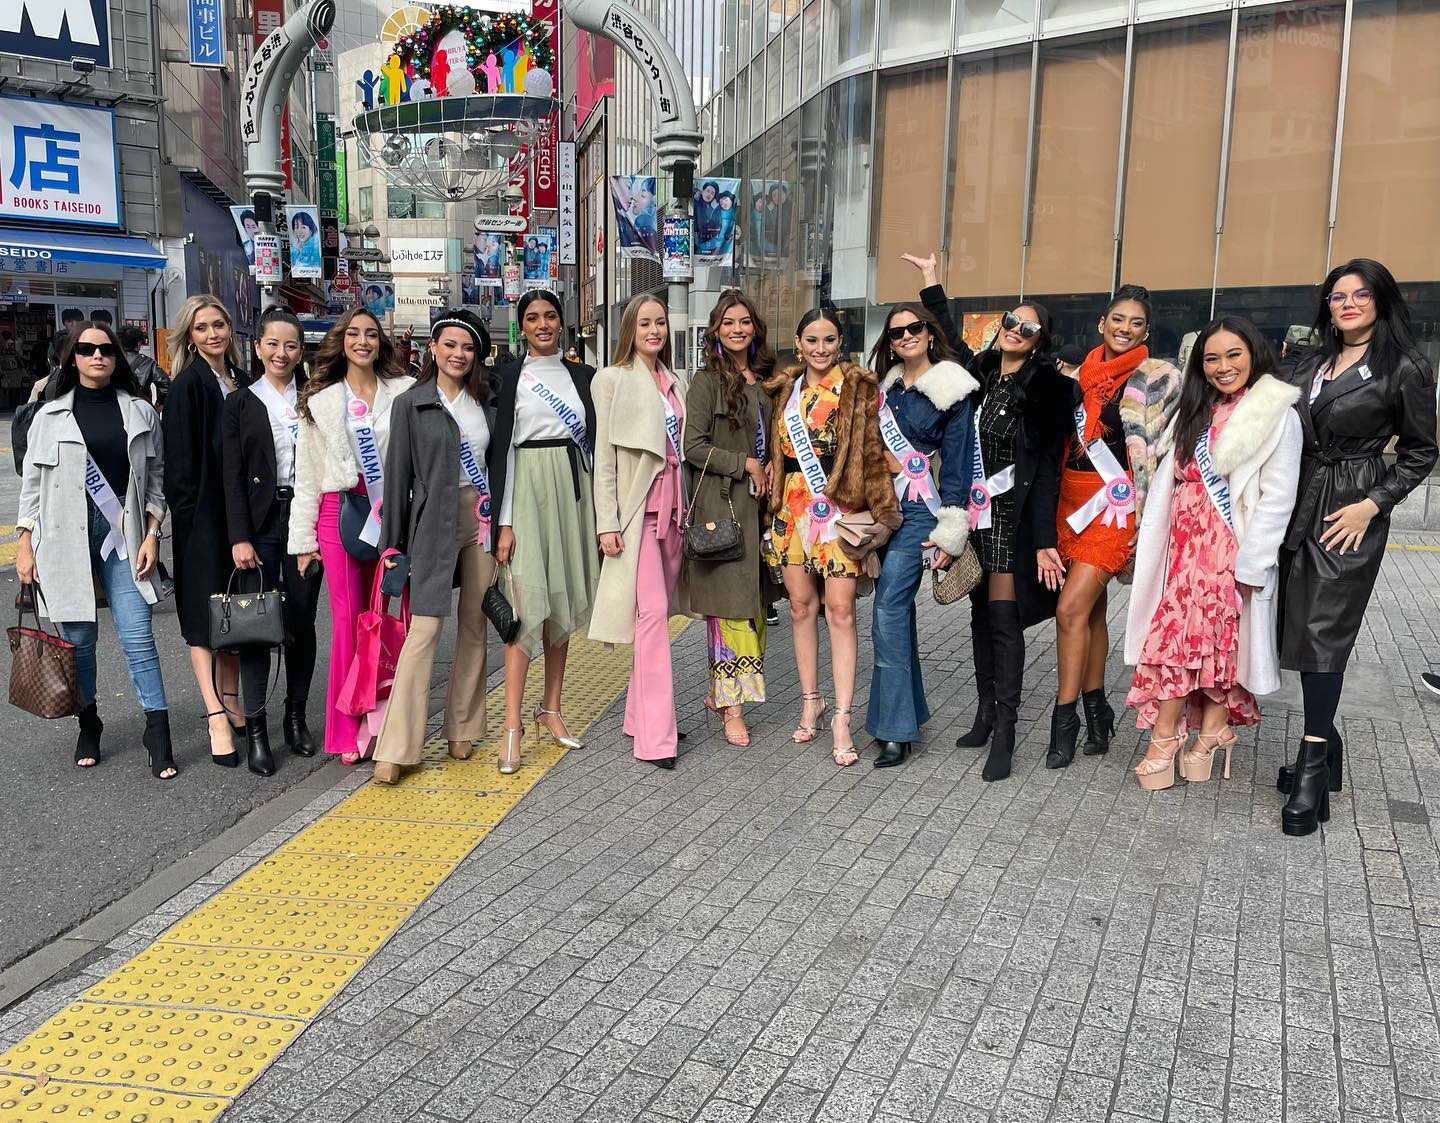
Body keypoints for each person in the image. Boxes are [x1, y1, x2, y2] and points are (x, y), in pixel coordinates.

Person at [1276, 258, 1437, 835]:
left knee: (1323, 633)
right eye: (1337, 295)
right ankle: (1328, 740)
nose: (1347, 304)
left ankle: (1313, 764)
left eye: (1360, 294)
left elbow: (1421, 452)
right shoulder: (1310, 361)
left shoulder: (1404, 367)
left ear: (1381, 300)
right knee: (1292, 628)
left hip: (1350, 507)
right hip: (1296, 498)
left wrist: (1373, 504)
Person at [909, 254, 1077, 782]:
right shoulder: (979, 371)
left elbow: (1046, 471)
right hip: (972, 513)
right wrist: (932, 284)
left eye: (1027, 327)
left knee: (1004, 620)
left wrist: (1045, 538)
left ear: (1040, 340)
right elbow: (951, 343)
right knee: (978, 613)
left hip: (1010, 517)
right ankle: (984, 714)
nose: (1014, 330)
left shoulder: (1047, 387)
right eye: (1009, 321)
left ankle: (1006, 729)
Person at [1124, 317, 1302, 790]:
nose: (1223, 366)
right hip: (1182, 547)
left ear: (1254, 353)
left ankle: (1173, 738)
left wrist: (1254, 562)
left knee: (1209, 644)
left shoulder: (1275, 412)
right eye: (1212, 358)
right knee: (1181, 639)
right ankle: (1208, 736)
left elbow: (1278, 497)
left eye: (1233, 354)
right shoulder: (1194, 410)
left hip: (1227, 548)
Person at [16, 322, 175, 777]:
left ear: (117, 357)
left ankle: (157, 730)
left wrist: (152, 533)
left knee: (138, 635)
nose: (97, 356)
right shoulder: (48, 417)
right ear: (72, 358)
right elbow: (32, 486)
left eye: (105, 349)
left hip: (123, 533)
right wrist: (24, 544)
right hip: (63, 535)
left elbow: (156, 481)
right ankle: (88, 722)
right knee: (80, 641)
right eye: (86, 349)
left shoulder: (140, 413)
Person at [1049, 284, 1182, 769]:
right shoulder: (1076, 373)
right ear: (1102, 323)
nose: (1125, 329)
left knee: (1069, 610)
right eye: (1118, 319)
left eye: (1136, 323)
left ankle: (1064, 720)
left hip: (1115, 507)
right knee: (1090, 613)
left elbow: (1166, 449)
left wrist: (1153, 517)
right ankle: (1097, 710)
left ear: (1147, 332)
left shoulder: (1160, 378)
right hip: (1069, 501)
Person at [764, 307, 899, 766]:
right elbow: (775, 451)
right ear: (798, 343)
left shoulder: (858, 388)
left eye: (829, 340)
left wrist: (883, 510)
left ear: (841, 342)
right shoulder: (785, 389)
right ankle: (811, 701)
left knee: (840, 611)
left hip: (840, 507)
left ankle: (843, 716)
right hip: (792, 506)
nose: (820, 349)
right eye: (812, 340)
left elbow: (874, 453)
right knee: (801, 607)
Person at [372, 310, 497, 784]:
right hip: (431, 519)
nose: (458, 354)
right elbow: (396, 475)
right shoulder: (412, 403)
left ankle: (462, 726)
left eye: (467, 347)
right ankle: (398, 745)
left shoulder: (488, 401)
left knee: (475, 624)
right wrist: (391, 545)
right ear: (433, 348)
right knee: (423, 628)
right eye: (450, 345)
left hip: (480, 517)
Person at [289, 308, 415, 763]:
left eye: (371, 334)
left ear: (381, 343)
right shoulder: (321, 399)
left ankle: (383, 722)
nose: (363, 341)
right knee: (348, 620)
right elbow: (307, 475)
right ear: (341, 341)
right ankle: (347, 729)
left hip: (389, 510)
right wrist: (303, 542)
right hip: (337, 511)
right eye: (354, 334)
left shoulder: (403, 392)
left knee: (384, 616)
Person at [489, 290, 600, 773]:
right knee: (525, 607)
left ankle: (550, 708)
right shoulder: (507, 376)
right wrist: (505, 520)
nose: (542, 324)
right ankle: (512, 725)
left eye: (550, 316)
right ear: (522, 325)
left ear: (561, 321)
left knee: (561, 601)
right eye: (532, 317)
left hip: (574, 491)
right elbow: (504, 449)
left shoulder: (584, 377)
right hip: (527, 489)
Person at [863, 302, 977, 768]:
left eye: (915, 328)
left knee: (888, 608)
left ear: (929, 333)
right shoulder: (884, 390)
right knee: (897, 612)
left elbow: (959, 460)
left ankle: (894, 730)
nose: (907, 336)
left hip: (920, 512)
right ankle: (906, 715)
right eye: (897, 332)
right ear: (889, 343)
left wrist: (951, 529)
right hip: (881, 509)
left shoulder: (952, 387)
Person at [221, 306, 323, 775]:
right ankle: (257, 729)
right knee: (257, 625)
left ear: (301, 351)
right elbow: (231, 476)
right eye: (274, 344)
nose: (282, 353)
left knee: (301, 620)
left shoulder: (316, 399)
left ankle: (295, 717)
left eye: (291, 345)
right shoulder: (240, 403)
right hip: (260, 526)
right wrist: (239, 537)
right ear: (258, 347)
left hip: (305, 521)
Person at [591, 296, 691, 769]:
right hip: (637, 513)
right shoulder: (610, 379)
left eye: (661, 323)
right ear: (629, 328)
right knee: (650, 617)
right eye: (645, 323)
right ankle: (656, 739)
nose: (655, 330)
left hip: (676, 512)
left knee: (658, 617)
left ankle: (640, 716)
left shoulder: (675, 380)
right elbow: (604, 458)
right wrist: (606, 522)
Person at [683, 290, 775, 748]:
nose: (738, 330)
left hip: (762, 509)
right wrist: (745, 463)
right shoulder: (706, 381)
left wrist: (772, 466)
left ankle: (722, 695)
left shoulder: (766, 379)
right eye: (728, 323)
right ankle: (732, 707)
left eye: (744, 322)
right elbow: (692, 446)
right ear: (716, 331)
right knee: (730, 611)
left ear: (755, 328)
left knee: (756, 609)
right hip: (724, 507)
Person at [164, 295, 249, 766]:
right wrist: (191, 521)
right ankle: (215, 713)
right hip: (202, 522)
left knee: (234, 611)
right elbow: (178, 466)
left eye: (219, 324)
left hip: (240, 516)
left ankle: (232, 700)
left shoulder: (239, 378)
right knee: (203, 617)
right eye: (202, 327)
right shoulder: (187, 385)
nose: (212, 333)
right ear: (190, 337)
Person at [118, 324, 171, 409]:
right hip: (142, 407)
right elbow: (166, 384)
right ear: (139, 343)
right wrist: (159, 403)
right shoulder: (148, 363)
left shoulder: (113, 361)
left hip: (118, 407)